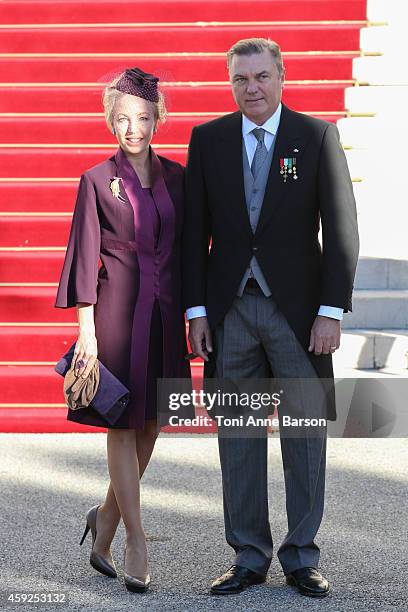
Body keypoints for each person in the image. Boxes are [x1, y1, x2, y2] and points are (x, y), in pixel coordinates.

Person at [183, 38, 359, 597]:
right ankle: (249, 556)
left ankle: (302, 556)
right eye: (241, 79)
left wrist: (331, 310)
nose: (252, 88)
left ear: (281, 76)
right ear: (230, 83)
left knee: (305, 435)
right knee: (237, 436)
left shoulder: (315, 136)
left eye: (261, 76)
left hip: (300, 316)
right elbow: (194, 236)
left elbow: (341, 230)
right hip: (231, 313)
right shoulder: (208, 140)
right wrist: (197, 310)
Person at [55, 67, 190, 593]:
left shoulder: (178, 178)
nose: (133, 127)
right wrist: (85, 333)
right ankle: (136, 537)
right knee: (122, 421)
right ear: (111, 121)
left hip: (164, 314)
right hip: (114, 315)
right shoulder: (94, 181)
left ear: (158, 119)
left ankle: (104, 518)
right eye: (124, 118)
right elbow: (82, 259)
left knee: (153, 421)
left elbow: (188, 249)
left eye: (143, 117)